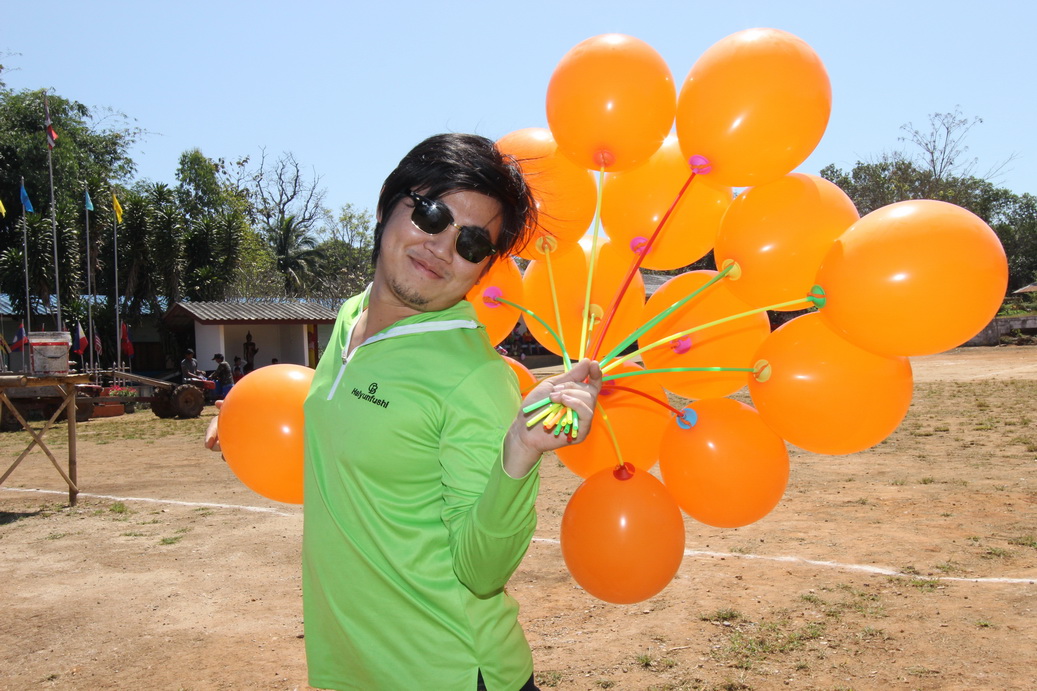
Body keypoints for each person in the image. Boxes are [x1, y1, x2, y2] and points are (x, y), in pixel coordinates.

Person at [206, 133, 601, 690]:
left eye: (471, 243)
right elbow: (359, 426)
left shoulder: (472, 377)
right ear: (387, 204)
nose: (441, 247)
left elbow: (481, 572)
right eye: (431, 214)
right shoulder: (351, 318)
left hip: (449, 672)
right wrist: (243, 420)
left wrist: (518, 453)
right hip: (353, 668)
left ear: (483, 268)